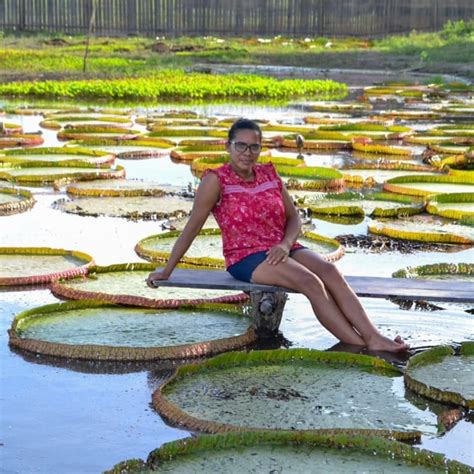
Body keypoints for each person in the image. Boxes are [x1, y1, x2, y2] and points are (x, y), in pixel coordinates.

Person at [147, 118, 409, 352]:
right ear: (228, 146)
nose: (247, 153)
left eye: (254, 147)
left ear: (260, 148)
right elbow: (192, 226)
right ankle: (362, 344)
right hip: (246, 256)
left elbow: (294, 217)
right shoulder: (216, 180)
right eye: (241, 146)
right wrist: (167, 270)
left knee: (330, 272)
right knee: (310, 282)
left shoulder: (269, 174)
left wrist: (285, 244)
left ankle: (372, 336)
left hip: (281, 247)